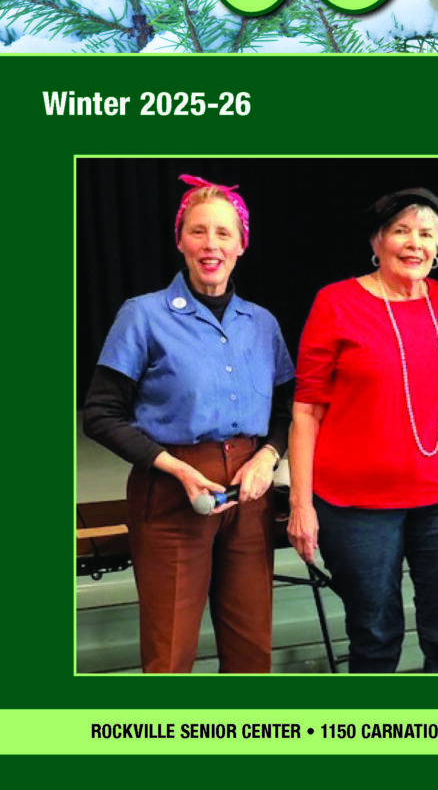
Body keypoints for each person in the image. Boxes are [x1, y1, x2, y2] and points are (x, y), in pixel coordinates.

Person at [83, 174, 295, 673]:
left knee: (251, 649)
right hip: (171, 493)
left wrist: (267, 457)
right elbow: (100, 413)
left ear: (241, 245)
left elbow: (287, 409)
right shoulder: (143, 315)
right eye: (198, 231)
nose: (210, 244)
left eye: (223, 233)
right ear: (180, 241)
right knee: (170, 651)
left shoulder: (261, 323)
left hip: (250, 493)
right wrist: (175, 468)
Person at [287, 188, 438, 673]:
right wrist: (301, 504)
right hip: (355, 505)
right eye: (401, 231)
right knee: (373, 634)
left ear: (437, 247)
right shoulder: (336, 302)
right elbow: (306, 410)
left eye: (425, 233)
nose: (414, 243)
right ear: (377, 242)